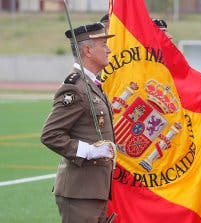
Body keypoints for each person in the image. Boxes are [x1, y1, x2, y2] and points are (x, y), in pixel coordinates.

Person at [41, 22, 116, 223]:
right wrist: (89, 151)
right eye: (103, 44)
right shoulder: (75, 88)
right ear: (87, 50)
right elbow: (50, 134)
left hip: (94, 190)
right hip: (79, 193)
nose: (108, 48)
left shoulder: (93, 85)